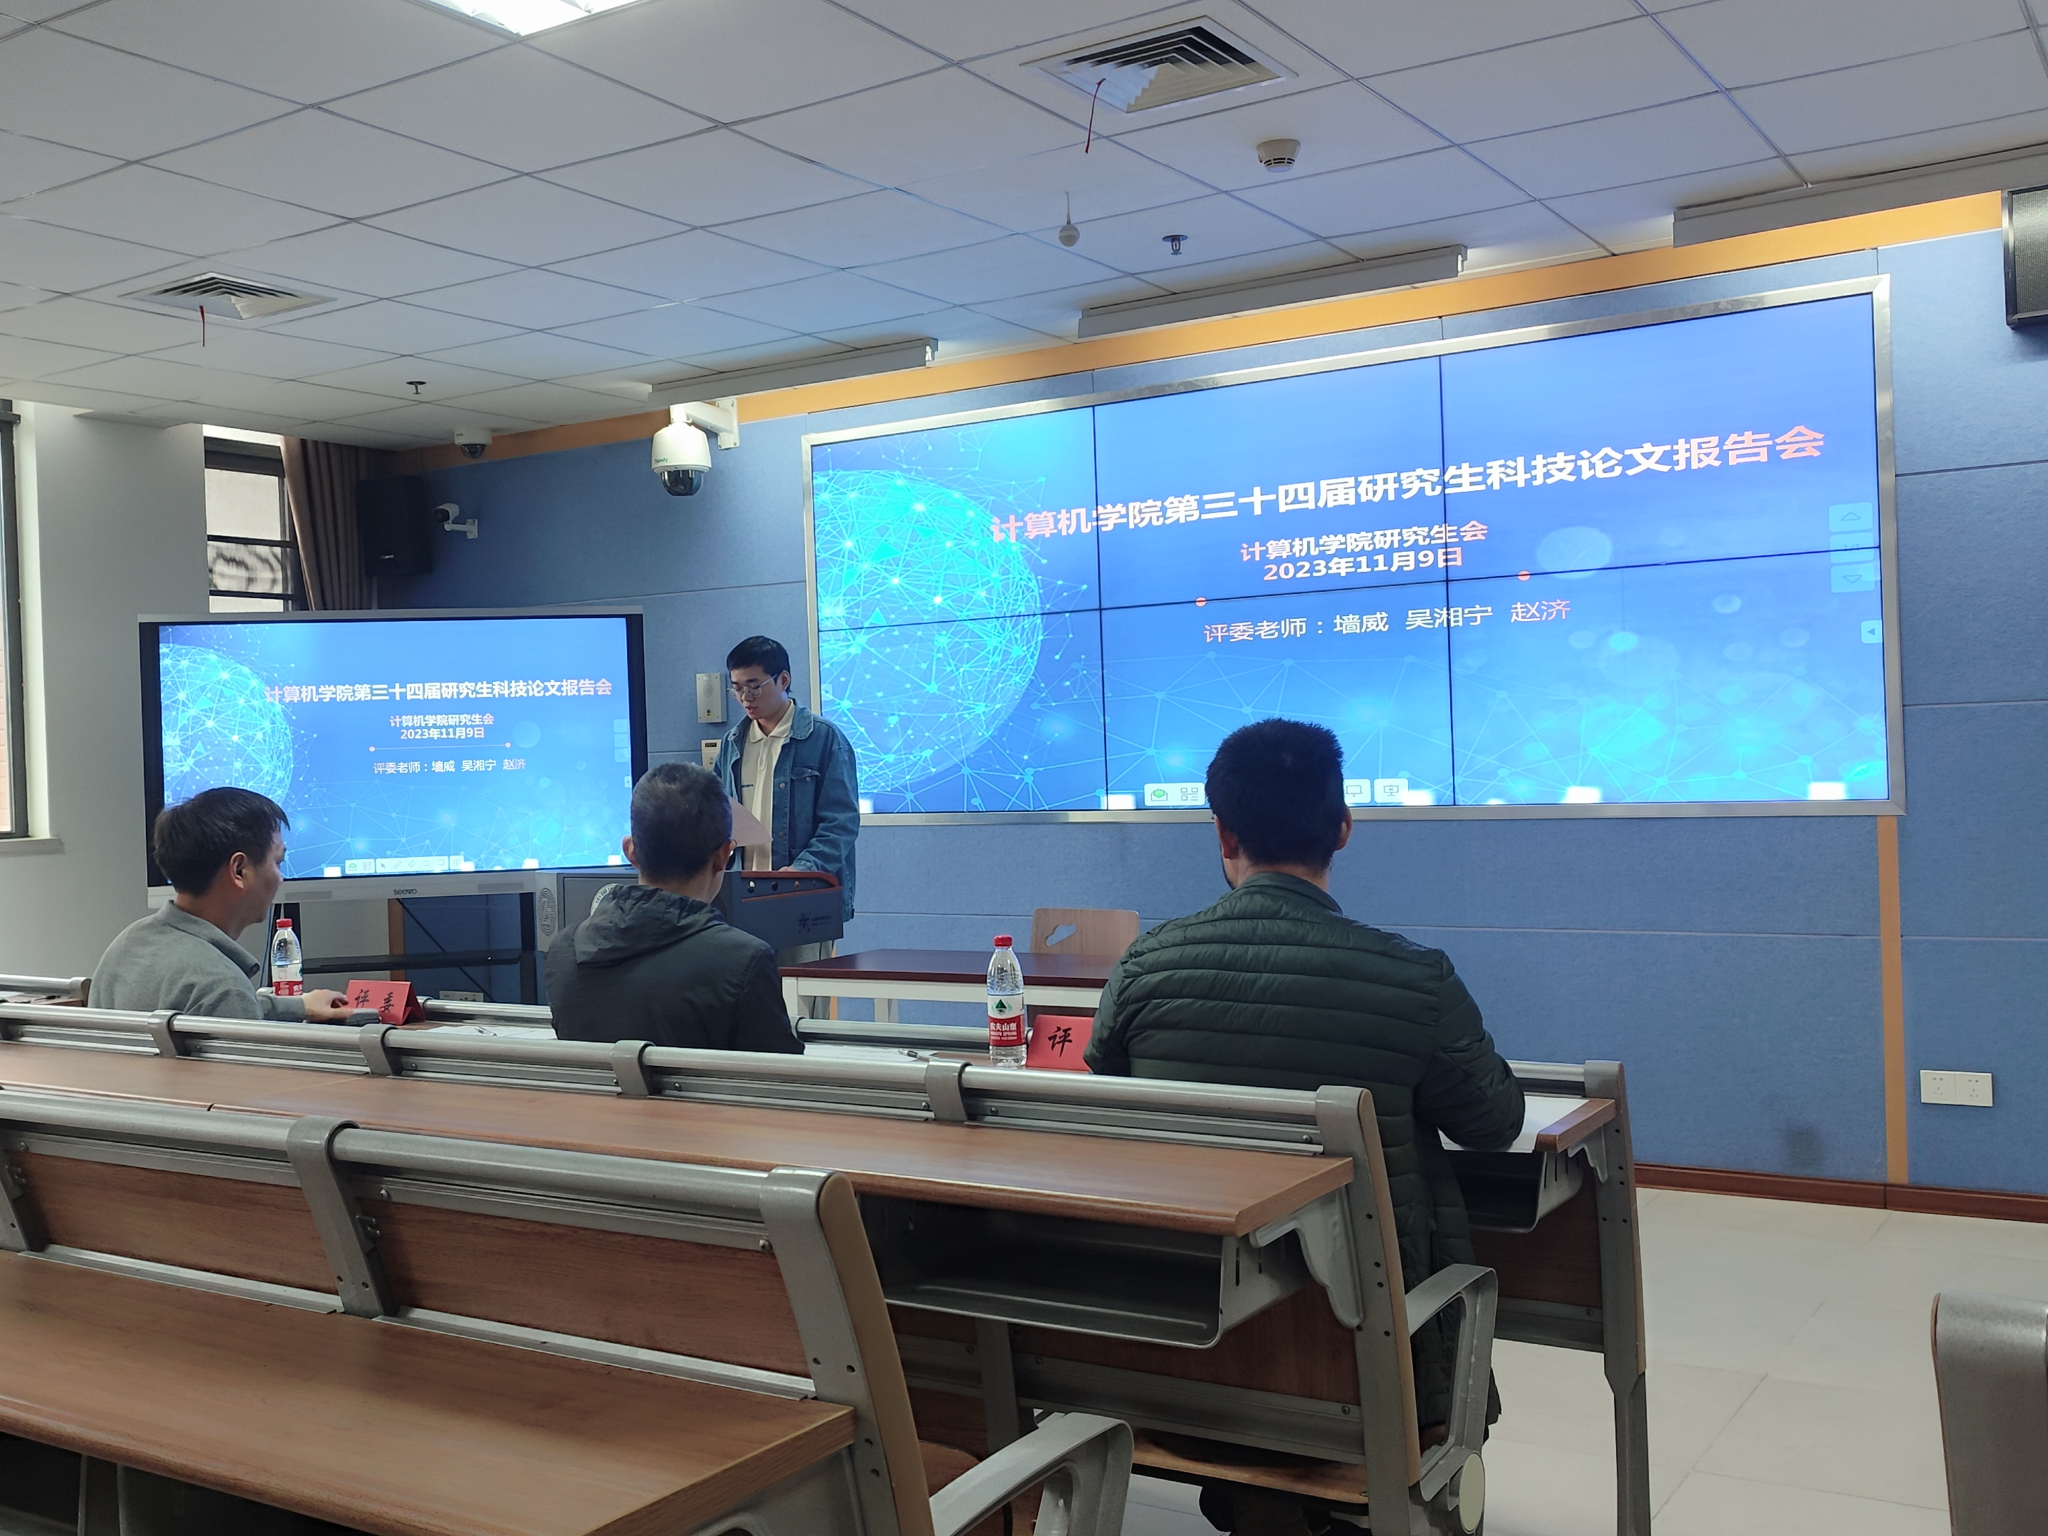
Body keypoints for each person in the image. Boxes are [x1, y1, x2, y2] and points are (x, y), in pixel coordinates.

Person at [1087, 718, 1524, 1445]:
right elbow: (1495, 1123)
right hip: (1372, 1354)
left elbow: (1106, 1100)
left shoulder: (1145, 965)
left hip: (1184, 1346)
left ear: (1223, 834)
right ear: (1343, 828)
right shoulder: (1414, 979)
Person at [547, 761, 801, 1053]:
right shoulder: (744, 962)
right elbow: (779, 1073)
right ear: (723, 855)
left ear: (630, 850)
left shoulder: (562, 952)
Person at [94, 788, 350, 1022]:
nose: (280, 878)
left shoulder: (127, 945)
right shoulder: (222, 986)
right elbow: (226, 1003)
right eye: (277, 862)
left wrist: (298, 1006)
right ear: (239, 870)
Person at [709, 635, 859, 964]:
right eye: (736, 688)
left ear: (784, 680)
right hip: (742, 897)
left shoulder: (823, 738)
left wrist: (801, 872)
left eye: (754, 686)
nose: (745, 697)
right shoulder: (732, 743)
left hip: (802, 897)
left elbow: (841, 824)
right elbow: (717, 815)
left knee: (801, 993)